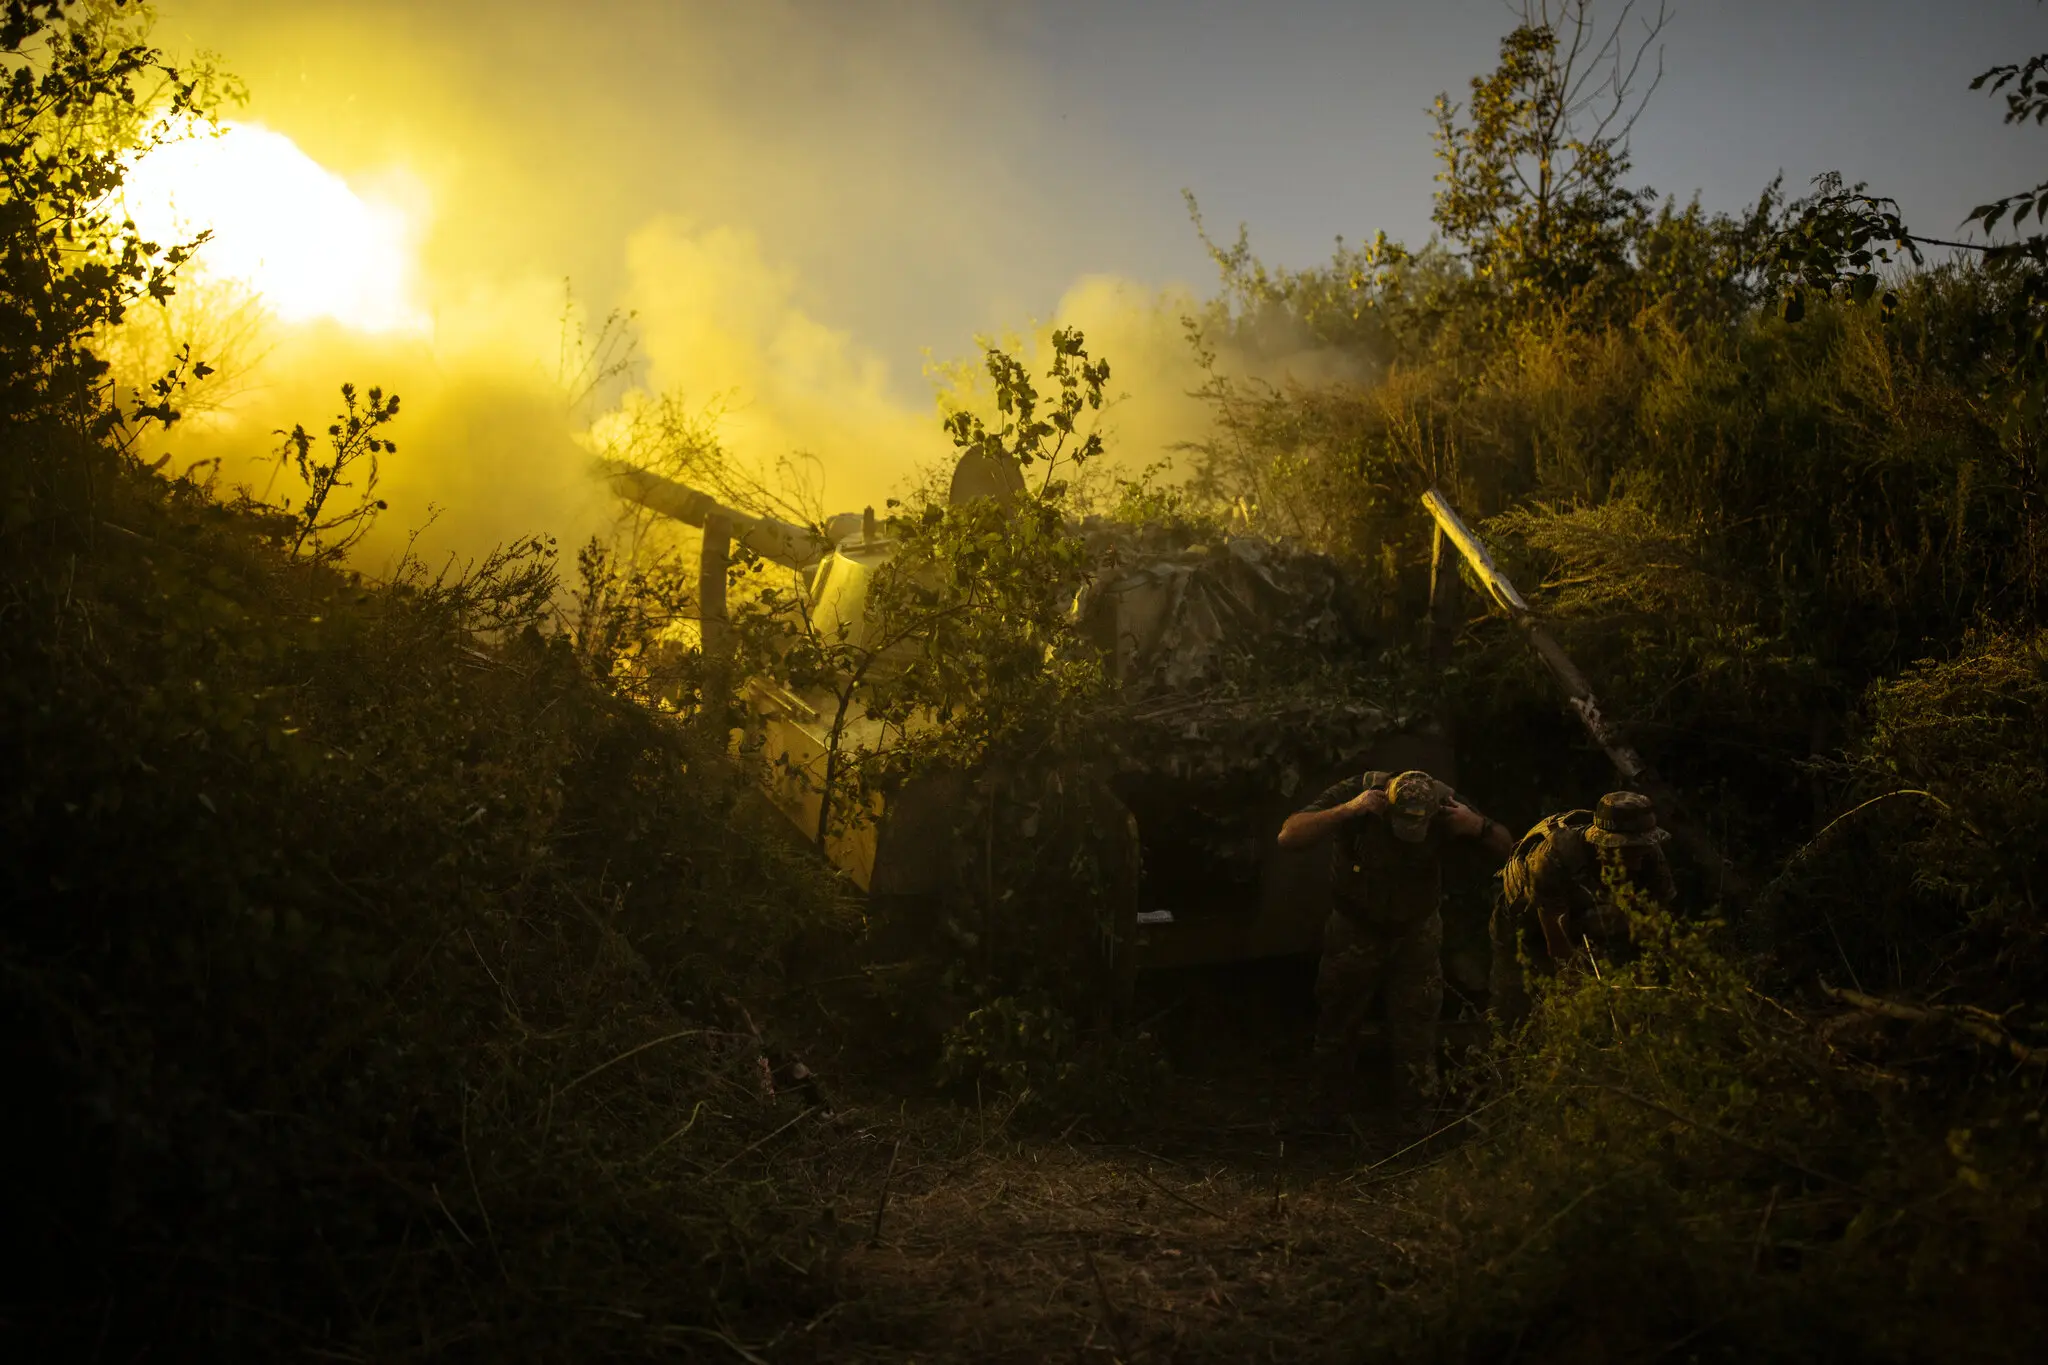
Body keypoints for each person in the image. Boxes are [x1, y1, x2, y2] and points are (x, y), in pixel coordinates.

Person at [1277, 768, 1515, 1120]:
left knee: (1417, 1030)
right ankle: (1325, 1116)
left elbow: (1509, 847)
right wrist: (1347, 810)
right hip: (1355, 928)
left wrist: (1477, 825)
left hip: (1416, 931)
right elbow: (1288, 835)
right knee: (1337, 1024)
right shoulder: (1359, 795)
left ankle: (1415, 1123)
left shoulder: (1446, 802)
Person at [1488, 790, 1679, 1026]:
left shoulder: (1648, 853)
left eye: (1641, 848)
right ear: (1602, 844)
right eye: (1626, 850)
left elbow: (1661, 923)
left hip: (1590, 915)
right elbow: (1558, 949)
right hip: (1527, 927)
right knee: (1522, 1008)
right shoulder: (1552, 858)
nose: (1637, 861)